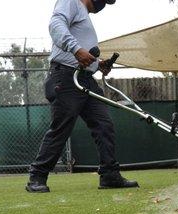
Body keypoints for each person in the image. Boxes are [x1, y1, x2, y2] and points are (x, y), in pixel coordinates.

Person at [26, 0, 138, 193]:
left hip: (85, 78)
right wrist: (77, 50)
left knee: (104, 124)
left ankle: (109, 175)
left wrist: (98, 65)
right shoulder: (71, 2)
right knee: (61, 127)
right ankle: (37, 176)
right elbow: (55, 25)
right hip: (67, 77)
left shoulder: (84, 15)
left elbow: (84, 52)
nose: (104, 4)